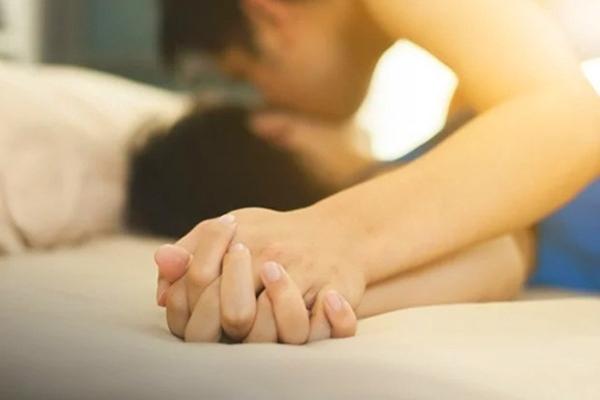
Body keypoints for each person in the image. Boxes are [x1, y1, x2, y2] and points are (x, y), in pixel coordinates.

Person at [156, 0, 600, 344]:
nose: (271, 101)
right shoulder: (460, 145)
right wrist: (298, 292)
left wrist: (335, 233)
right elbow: (501, 250)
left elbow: (568, 118)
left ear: (268, 18)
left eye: (247, 76)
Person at [128, 104, 533, 342]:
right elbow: (499, 254)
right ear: (275, 127)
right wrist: (297, 295)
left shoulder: (355, 226)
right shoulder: (385, 195)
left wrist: (289, 298)